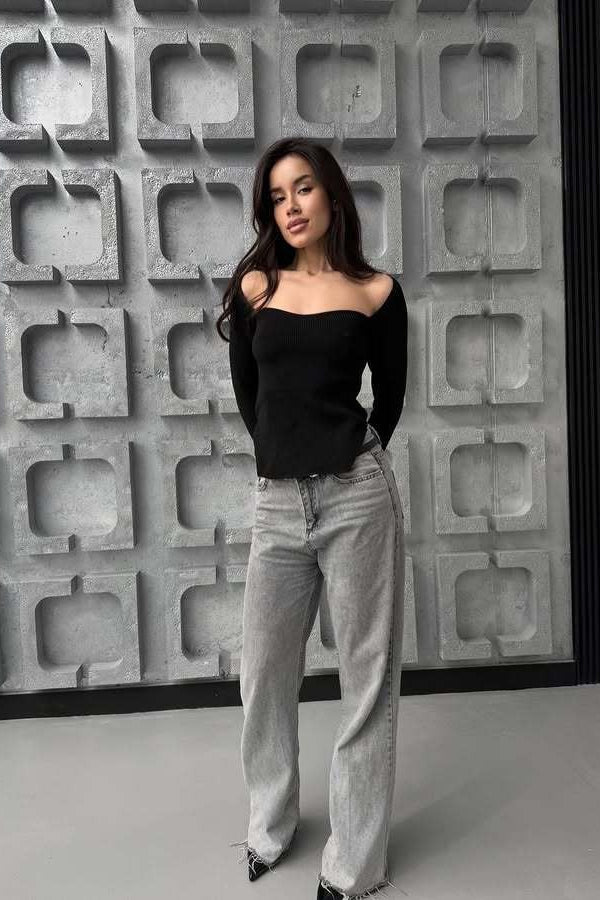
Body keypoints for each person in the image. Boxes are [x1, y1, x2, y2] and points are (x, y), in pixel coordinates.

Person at [218, 136, 408, 900]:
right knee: (264, 675)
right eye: (276, 195)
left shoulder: (376, 291)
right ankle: (270, 826)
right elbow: (252, 400)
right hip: (277, 504)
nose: (290, 206)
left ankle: (355, 864)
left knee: (367, 678)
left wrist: (346, 458)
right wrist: (285, 456)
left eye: (302, 188)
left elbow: (389, 399)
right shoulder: (255, 287)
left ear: (331, 194)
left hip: (357, 496)